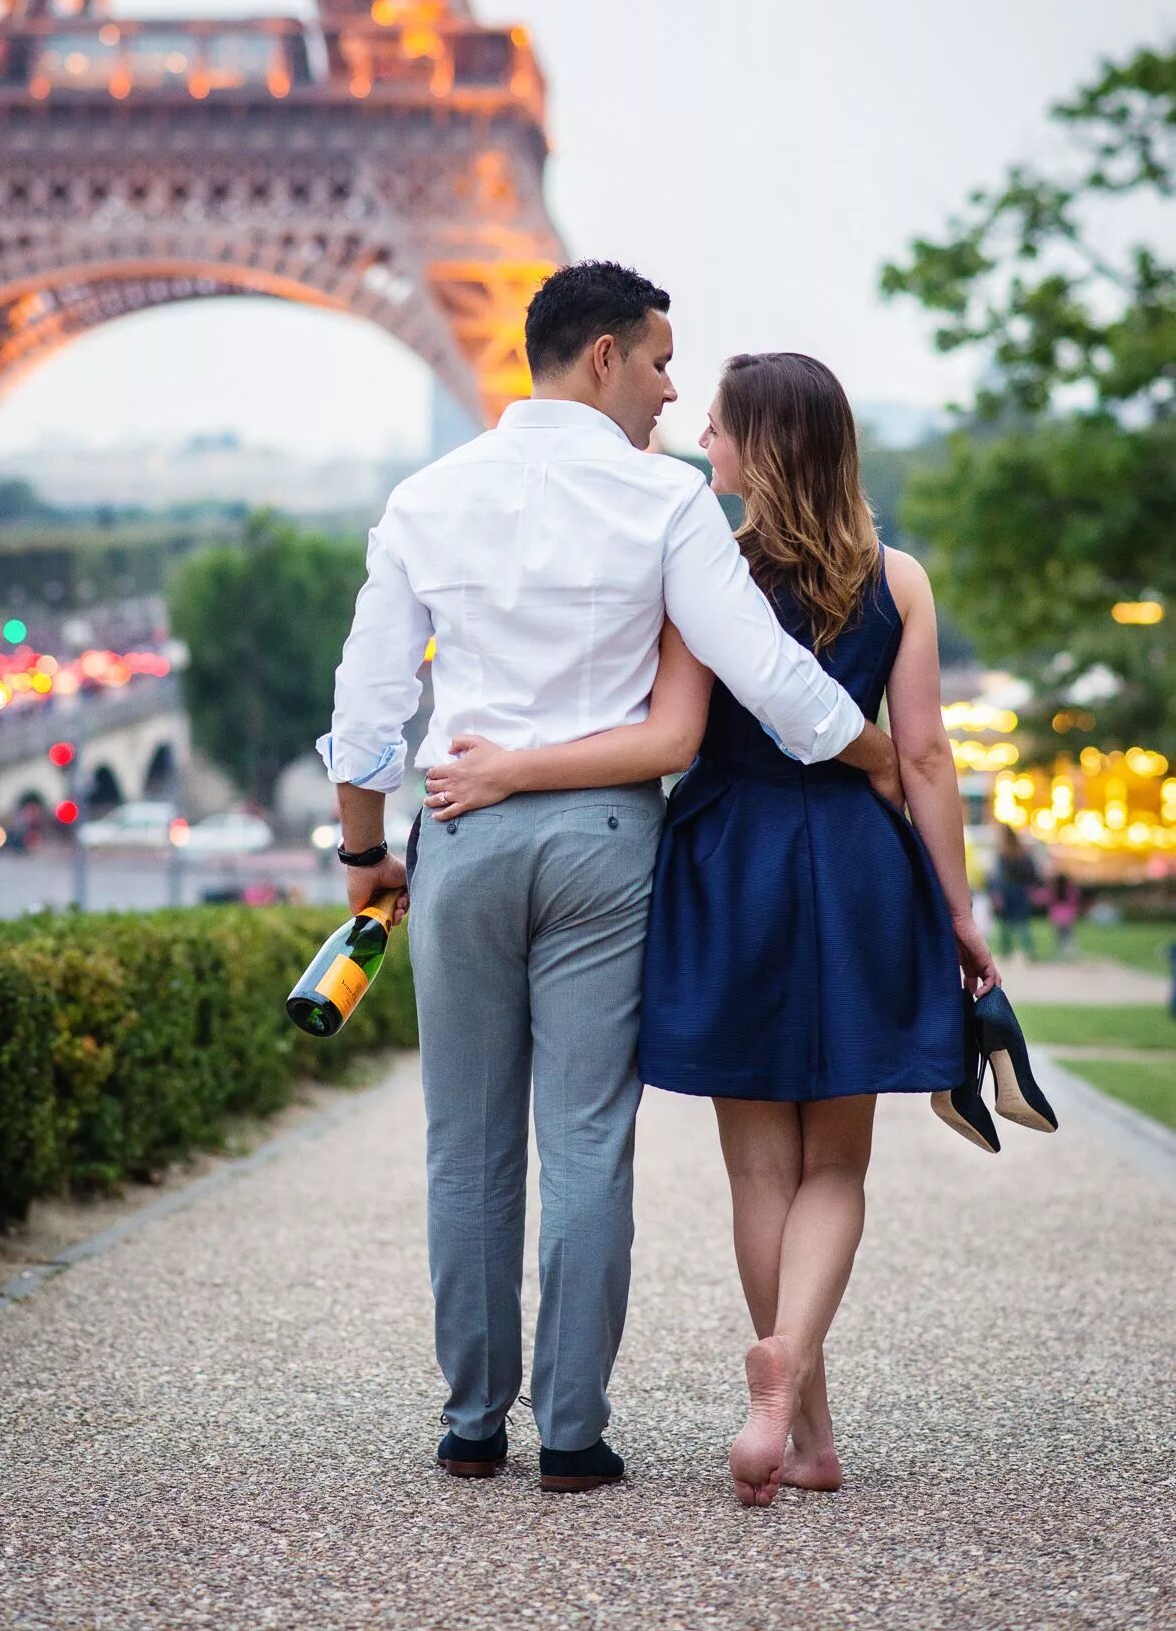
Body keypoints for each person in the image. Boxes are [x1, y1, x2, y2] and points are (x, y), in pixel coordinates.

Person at [317, 264, 902, 1495]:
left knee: (462, 1141)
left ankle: (474, 1418)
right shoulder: (664, 499)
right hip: (601, 837)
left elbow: (368, 709)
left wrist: (363, 853)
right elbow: (768, 679)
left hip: (462, 821)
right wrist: (885, 755)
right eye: (656, 360)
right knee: (585, 1137)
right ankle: (572, 1432)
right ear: (599, 357)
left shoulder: (423, 496)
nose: (671, 387)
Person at [425, 351, 997, 1505]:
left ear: (762, 448)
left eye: (722, 428)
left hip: (728, 863)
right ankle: (792, 1396)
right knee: (836, 1160)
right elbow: (924, 755)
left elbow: (673, 728)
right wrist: (957, 907)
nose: (702, 440)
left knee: (758, 1168)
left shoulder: (705, 568)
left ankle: (796, 1411)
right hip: (851, 863)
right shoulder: (900, 579)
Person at [992, 825, 1042, 960]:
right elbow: (1034, 874)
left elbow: (997, 877)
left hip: (1008, 891)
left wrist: (996, 893)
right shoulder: (1023, 852)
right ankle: (1029, 952)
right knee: (1022, 923)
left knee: (1006, 924)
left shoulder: (1002, 853)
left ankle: (1005, 952)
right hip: (1021, 892)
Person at [1046, 871, 1083, 959]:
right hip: (1069, 917)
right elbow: (1076, 900)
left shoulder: (1053, 890)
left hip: (1056, 917)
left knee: (1059, 937)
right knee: (1069, 936)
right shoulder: (1071, 890)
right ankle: (1071, 953)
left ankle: (1059, 954)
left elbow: (1043, 898)